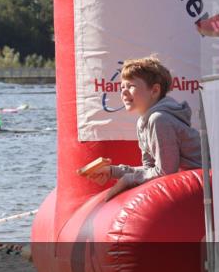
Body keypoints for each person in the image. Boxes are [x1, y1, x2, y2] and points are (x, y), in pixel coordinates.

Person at [85, 55, 201, 202]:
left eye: (131, 86)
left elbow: (165, 172)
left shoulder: (159, 120)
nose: (124, 92)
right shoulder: (143, 122)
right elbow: (149, 169)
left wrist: (128, 180)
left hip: (204, 184)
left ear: (154, 91)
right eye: (122, 87)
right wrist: (113, 171)